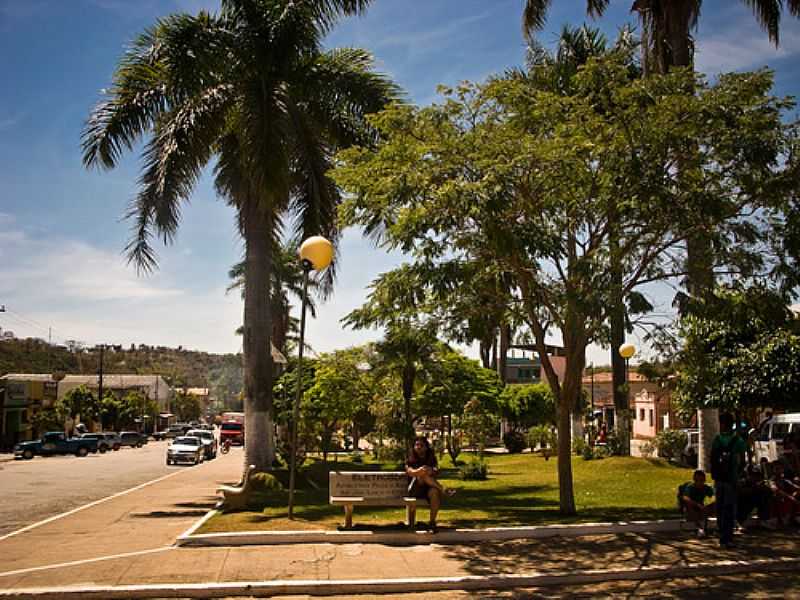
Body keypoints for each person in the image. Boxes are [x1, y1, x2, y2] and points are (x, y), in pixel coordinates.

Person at [711, 412, 747, 549]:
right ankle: (728, 538)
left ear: (722, 424)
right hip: (731, 479)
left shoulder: (717, 439)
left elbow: (712, 459)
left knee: (720, 507)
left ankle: (721, 536)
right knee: (729, 508)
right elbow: (743, 461)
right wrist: (737, 474)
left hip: (719, 479)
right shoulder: (738, 441)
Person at [405, 436, 455, 533]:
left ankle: (432, 523)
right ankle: (443, 489)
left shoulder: (431, 457)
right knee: (421, 474)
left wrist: (431, 470)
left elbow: (436, 470)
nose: (418, 447)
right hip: (414, 489)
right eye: (416, 445)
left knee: (434, 492)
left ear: (426, 447)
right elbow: (409, 471)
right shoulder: (410, 457)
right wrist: (419, 471)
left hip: (428, 488)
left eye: (421, 445)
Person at [678, 470, 716, 537]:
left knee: (717, 504)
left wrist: (712, 501)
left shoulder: (706, 487)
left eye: (701, 480)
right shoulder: (690, 487)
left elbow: (714, 495)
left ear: (704, 480)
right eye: (696, 480)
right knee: (688, 504)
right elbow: (685, 498)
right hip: (691, 510)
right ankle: (700, 527)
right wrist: (697, 505)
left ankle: (717, 526)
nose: (699, 482)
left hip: (702, 509)